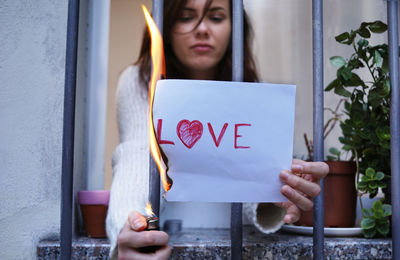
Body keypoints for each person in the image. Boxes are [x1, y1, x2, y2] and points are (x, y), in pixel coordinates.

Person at [106, 0, 329, 259]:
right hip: (163, 237)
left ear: (235, 27)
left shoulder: (257, 92)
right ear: (166, 25)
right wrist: (130, 226)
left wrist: (278, 190)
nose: (201, 29)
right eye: (186, 17)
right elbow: (138, 156)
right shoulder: (139, 80)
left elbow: (249, 179)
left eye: (216, 17)